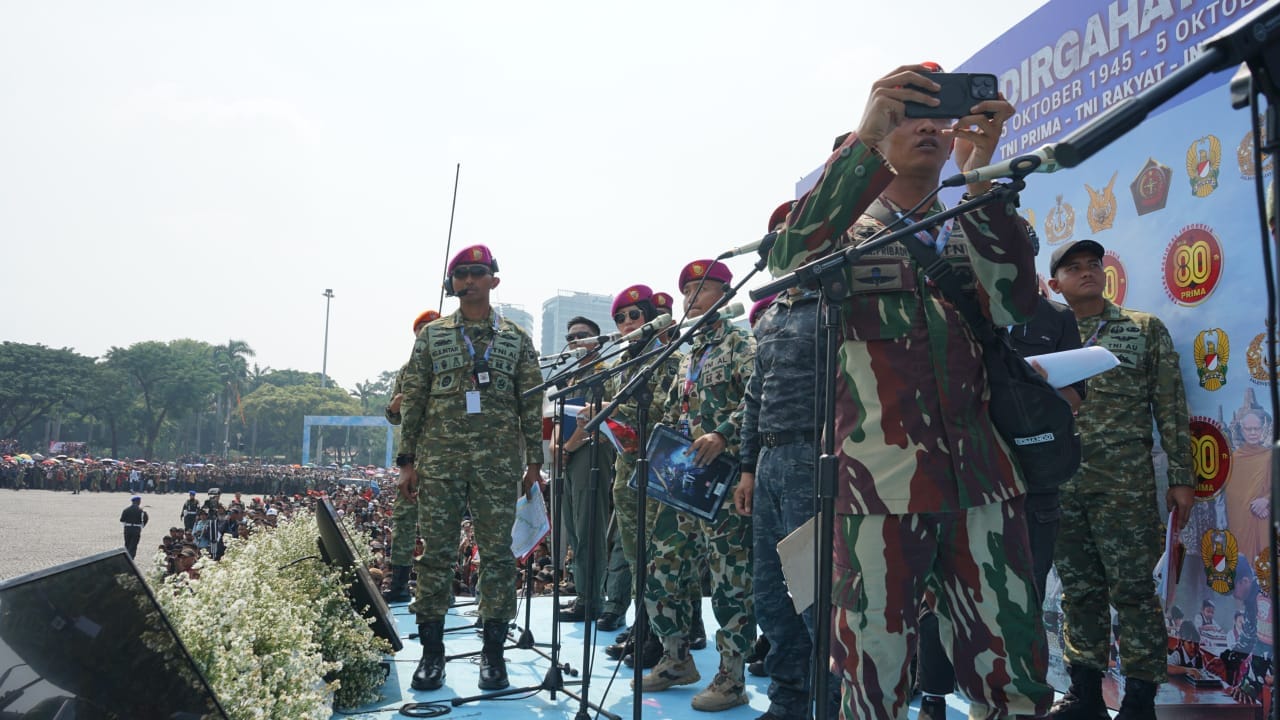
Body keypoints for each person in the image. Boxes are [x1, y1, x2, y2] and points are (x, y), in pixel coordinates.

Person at [767, 63, 1050, 719]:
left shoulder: (974, 218)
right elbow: (789, 256)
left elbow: (1013, 304)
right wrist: (860, 144)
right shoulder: (846, 234)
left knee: (1016, 677)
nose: (926, 124)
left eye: (938, 113)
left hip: (985, 487)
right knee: (872, 680)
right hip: (878, 492)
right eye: (908, 111)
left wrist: (981, 171)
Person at [1045, 237, 1193, 720]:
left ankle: (1139, 701)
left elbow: (1169, 404)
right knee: (1079, 590)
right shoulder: (1042, 334)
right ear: (1054, 284)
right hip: (1062, 484)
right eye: (1074, 267)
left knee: (1133, 591)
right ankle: (1084, 697)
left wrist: (1181, 475)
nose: (1087, 272)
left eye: (1094, 264)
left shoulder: (1141, 329)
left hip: (1123, 483)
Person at [397, 244, 543, 692]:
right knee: (435, 556)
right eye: (460, 274)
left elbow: (531, 402)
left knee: (498, 558)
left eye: (477, 273)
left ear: (494, 280)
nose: (468, 281)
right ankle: (432, 654)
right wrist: (406, 462)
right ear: (452, 283)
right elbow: (414, 400)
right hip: (439, 464)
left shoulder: (516, 338)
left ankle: (493, 654)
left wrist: (534, 461)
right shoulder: (433, 336)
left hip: (498, 465)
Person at [639, 259, 755, 712]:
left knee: (730, 580)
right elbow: (674, 411)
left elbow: (757, 397)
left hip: (724, 483)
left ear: (725, 293)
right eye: (686, 288)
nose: (690, 296)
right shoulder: (688, 353)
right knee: (662, 568)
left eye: (701, 287)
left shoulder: (739, 343)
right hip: (684, 482)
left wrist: (723, 432)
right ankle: (675, 659)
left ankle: (732, 676)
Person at [735, 200, 833, 720]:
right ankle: (788, 702)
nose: (784, 240)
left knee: (819, 597)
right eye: (777, 233)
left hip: (814, 460)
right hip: (771, 464)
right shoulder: (771, 313)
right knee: (772, 596)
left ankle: (834, 705)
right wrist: (748, 468)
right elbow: (755, 397)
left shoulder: (836, 303)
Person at [602, 284, 688, 669]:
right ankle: (644, 628)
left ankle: (661, 638)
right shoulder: (627, 364)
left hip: (660, 472)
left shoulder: (668, 361)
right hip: (628, 470)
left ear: (652, 318)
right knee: (637, 557)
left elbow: (667, 419)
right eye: (620, 319)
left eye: (634, 316)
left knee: (657, 560)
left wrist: (613, 414)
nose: (626, 324)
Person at [552, 315, 626, 630]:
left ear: (597, 341)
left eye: (583, 336)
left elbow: (595, 419)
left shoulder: (603, 373)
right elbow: (558, 416)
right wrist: (557, 448)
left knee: (588, 528)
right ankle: (583, 592)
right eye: (571, 337)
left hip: (591, 452)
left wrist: (567, 447)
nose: (576, 341)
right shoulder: (570, 376)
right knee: (573, 526)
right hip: (568, 455)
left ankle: (591, 600)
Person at [382, 309, 441, 603]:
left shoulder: (451, 366)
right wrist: (394, 408)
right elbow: (394, 418)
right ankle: (400, 583)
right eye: (422, 332)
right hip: (412, 454)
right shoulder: (406, 371)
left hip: (444, 454)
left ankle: (439, 585)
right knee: (404, 519)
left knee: (441, 521)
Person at [120, 495, 148, 559]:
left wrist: (126, 525)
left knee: (127, 543)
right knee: (134, 544)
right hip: (136, 529)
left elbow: (122, 520)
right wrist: (142, 526)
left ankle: (126, 557)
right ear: (138, 502)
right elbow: (145, 519)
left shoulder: (126, 510)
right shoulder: (141, 511)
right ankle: (131, 558)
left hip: (127, 528)